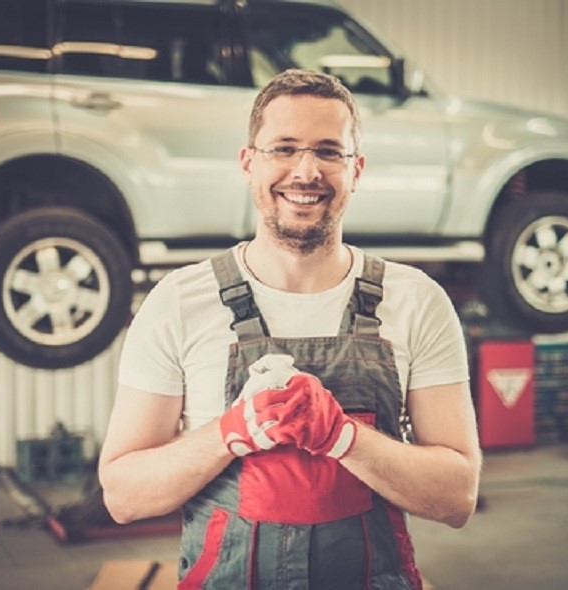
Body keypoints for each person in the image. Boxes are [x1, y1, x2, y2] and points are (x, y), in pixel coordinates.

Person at [98, 68, 482, 589]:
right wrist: (230, 434)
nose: (306, 171)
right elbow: (123, 496)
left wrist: (345, 437)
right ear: (248, 161)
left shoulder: (416, 302)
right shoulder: (179, 303)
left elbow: (457, 496)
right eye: (284, 148)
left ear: (356, 169)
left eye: (329, 151)